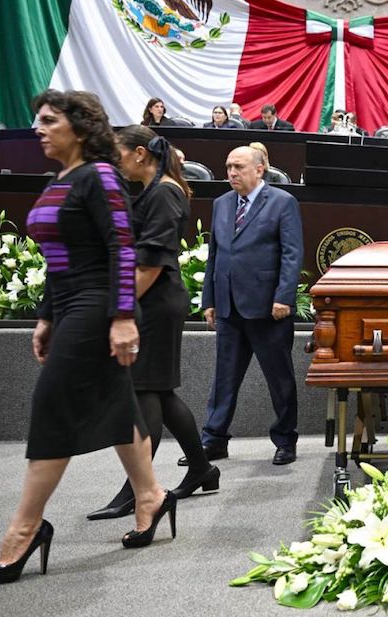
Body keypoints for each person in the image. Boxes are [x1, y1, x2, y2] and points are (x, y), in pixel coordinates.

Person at [0, 90, 177, 585]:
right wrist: (46, 315)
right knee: (118, 404)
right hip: (68, 306)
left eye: (49, 120)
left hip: (95, 306)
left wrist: (123, 316)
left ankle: (24, 529)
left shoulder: (100, 176)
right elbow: (57, 259)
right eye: (37, 120)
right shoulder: (60, 179)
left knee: (52, 406)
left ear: (80, 126)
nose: (38, 128)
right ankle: (151, 496)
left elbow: (122, 248)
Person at [83, 126, 219, 522]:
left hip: (155, 303)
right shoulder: (157, 189)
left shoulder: (163, 192)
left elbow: (153, 263)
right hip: (156, 302)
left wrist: (119, 308)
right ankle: (201, 468)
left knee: (145, 393)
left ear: (140, 153)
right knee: (160, 392)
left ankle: (138, 491)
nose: (116, 161)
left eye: (119, 154)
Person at [195, 146, 303, 466]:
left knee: (279, 378)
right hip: (228, 307)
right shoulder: (222, 204)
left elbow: (292, 254)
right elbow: (215, 254)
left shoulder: (283, 202)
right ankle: (214, 440)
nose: (231, 173)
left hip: (269, 308)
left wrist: (284, 296)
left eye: (238, 167)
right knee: (223, 378)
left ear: (259, 169)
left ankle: (285, 440)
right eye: (228, 167)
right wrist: (209, 299)